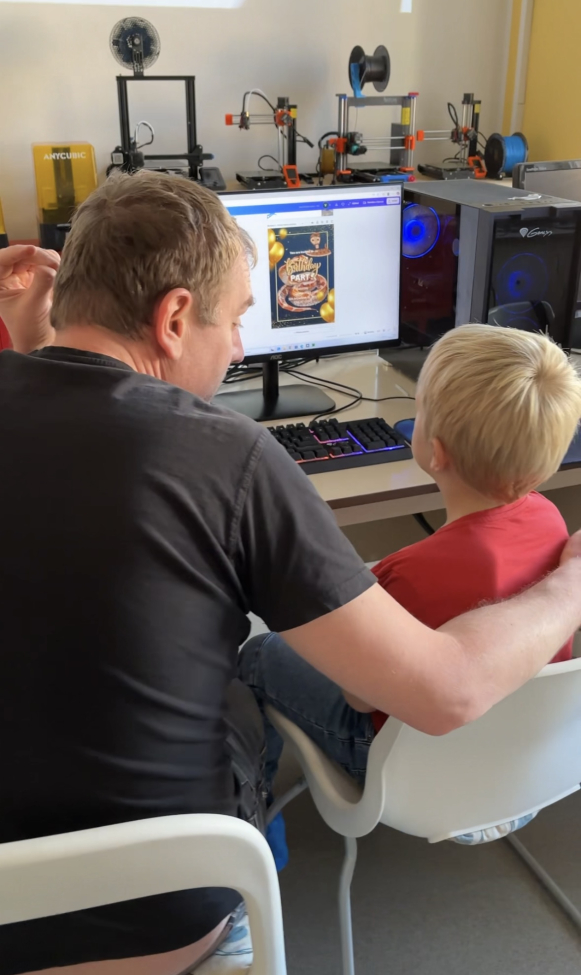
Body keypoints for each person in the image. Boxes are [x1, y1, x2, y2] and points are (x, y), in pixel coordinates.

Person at [1, 173, 581, 975]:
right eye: (238, 318)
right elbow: (446, 690)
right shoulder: (227, 456)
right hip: (161, 916)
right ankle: (261, 873)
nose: (240, 348)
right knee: (240, 673)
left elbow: (61, 430)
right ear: (174, 319)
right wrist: (569, 582)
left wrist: (30, 342)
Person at [239, 324, 581, 797]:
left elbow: (359, 697)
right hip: (518, 758)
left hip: (410, 771)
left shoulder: (412, 573)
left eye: (418, 410)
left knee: (261, 652)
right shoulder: (552, 521)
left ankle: (252, 805)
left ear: (435, 452)